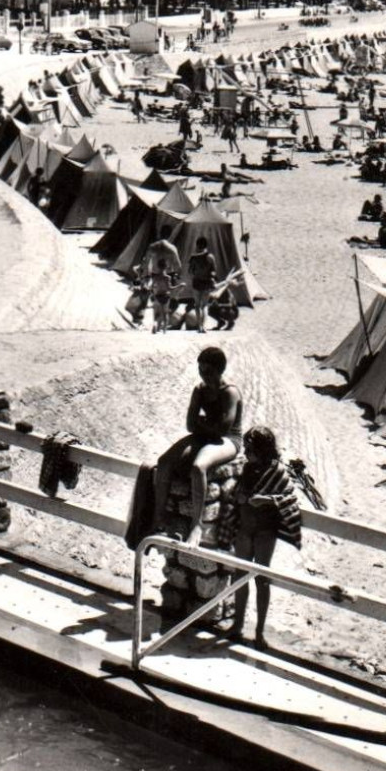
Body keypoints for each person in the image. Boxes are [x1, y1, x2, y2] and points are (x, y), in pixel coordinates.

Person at [152, 347, 244, 544]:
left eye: (208, 371)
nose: (204, 375)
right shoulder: (200, 390)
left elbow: (223, 429)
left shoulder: (230, 393)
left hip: (230, 440)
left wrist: (202, 424)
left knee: (198, 467)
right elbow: (189, 425)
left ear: (220, 371)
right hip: (205, 435)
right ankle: (159, 517)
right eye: (201, 370)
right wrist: (207, 425)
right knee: (165, 461)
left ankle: (196, 525)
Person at [226, 426, 304, 647]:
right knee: (239, 577)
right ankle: (237, 624)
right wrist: (240, 497)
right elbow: (235, 491)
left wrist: (267, 500)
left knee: (262, 580)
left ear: (262, 449)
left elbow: (290, 499)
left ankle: (259, 632)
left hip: (264, 533)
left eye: (250, 450)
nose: (246, 454)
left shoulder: (277, 471)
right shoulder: (245, 468)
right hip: (244, 529)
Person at [143, 227, 182, 334]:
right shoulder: (172, 248)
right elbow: (178, 265)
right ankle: (162, 325)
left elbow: (146, 263)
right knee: (168, 304)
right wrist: (177, 276)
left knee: (156, 302)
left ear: (160, 233)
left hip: (155, 275)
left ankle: (156, 323)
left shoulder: (152, 247)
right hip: (168, 274)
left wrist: (146, 277)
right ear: (170, 234)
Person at [185, 238, 217, 333]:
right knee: (205, 306)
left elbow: (190, 272)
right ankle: (204, 326)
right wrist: (211, 276)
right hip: (207, 282)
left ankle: (199, 326)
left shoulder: (193, 257)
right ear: (206, 245)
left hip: (197, 282)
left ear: (197, 245)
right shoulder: (210, 257)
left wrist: (196, 274)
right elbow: (214, 271)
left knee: (197, 305)